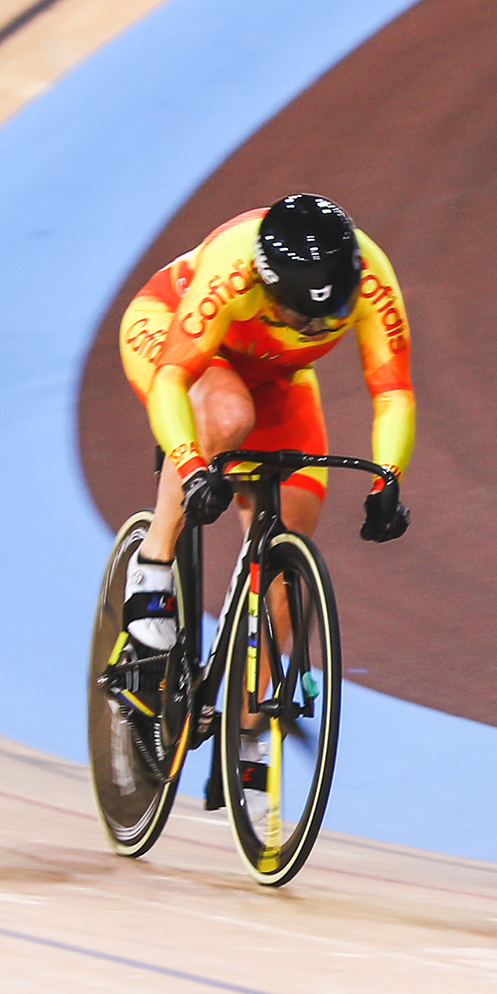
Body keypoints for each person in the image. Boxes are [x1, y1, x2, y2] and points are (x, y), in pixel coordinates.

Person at [116, 194, 415, 664]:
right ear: (267, 288)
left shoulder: (373, 280)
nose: (318, 328)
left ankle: (248, 725)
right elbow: (172, 379)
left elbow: (393, 392)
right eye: (303, 317)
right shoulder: (233, 272)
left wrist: (388, 478)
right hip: (170, 333)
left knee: (293, 527)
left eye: (333, 314)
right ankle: (152, 562)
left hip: (273, 373)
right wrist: (194, 468)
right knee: (229, 415)